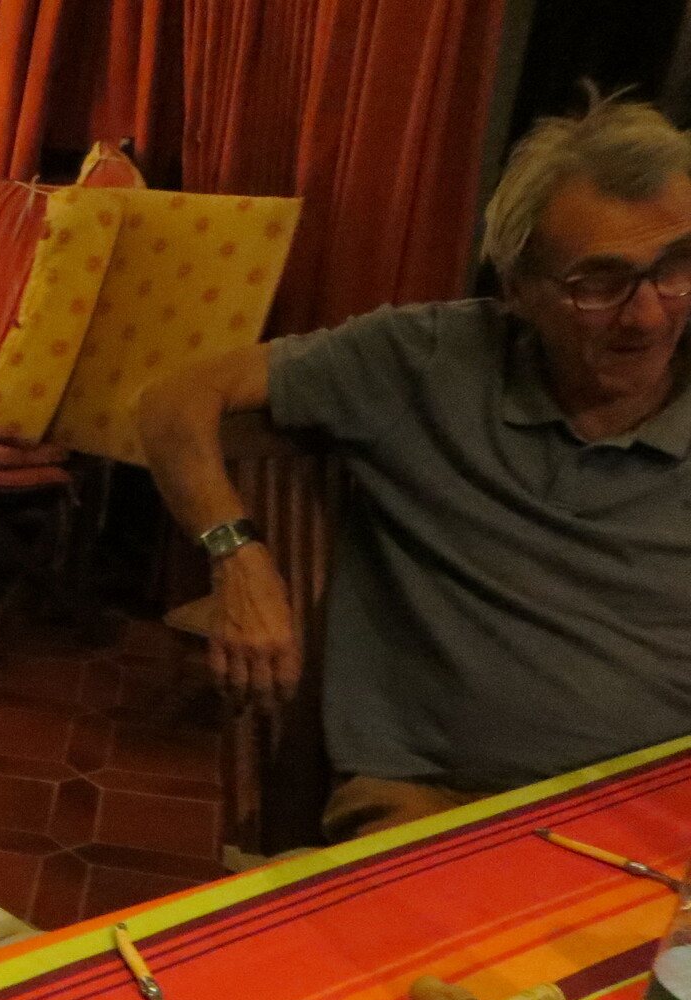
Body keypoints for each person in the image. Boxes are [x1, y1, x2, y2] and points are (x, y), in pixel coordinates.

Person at [138, 95, 691, 842]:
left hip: (664, 811)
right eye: (599, 283)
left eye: (675, 268)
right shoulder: (427, 362)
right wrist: (237, 555)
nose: (649, 315)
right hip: (442, 806)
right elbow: (173, 400)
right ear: (517, 288)